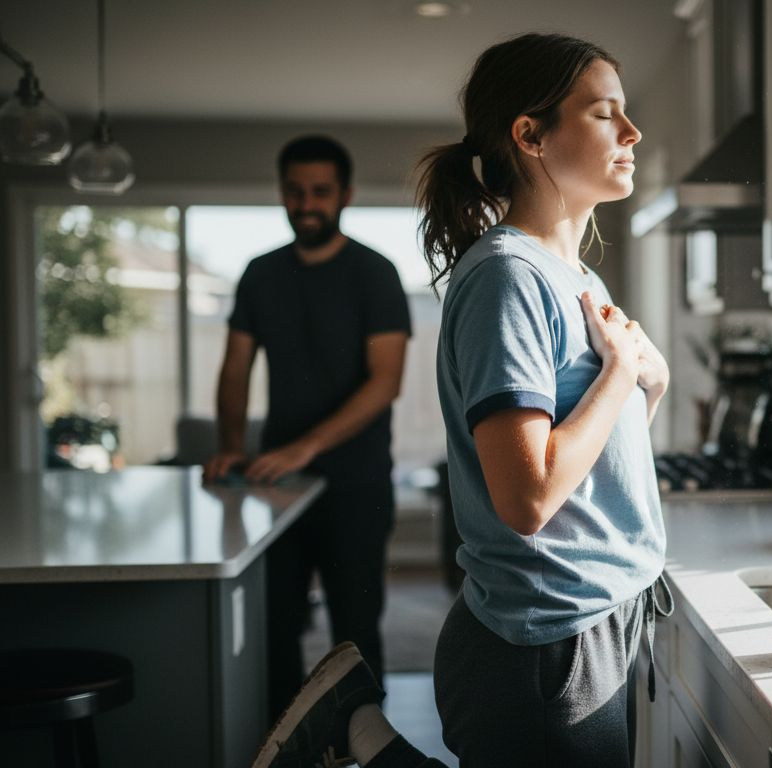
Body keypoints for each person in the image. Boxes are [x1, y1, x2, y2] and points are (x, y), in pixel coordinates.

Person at [250, 33, 671, 768]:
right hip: (546, 644)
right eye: (606, 114)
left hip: (595, 621)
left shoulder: (579, 281)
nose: (632, 133)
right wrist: (617, 377)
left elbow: (591, 473)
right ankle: (358, 730)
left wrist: (645, 387)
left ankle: (357, 727)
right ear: (530, 135)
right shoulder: (507, 279)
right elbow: (528, 497)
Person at [204, 135, 412, 722]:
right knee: (274, 628)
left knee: (355, 630)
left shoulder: (376, 272)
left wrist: (304, 448)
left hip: (358, 485)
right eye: (295, 192)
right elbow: (235, 368)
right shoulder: (259, 273)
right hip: (275, 489)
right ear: (282, 194)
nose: (306, 203)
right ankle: (283, 749)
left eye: (320, 191)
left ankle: (365, 746)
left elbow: (385, 381)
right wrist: (228, 447)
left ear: (344, 195)